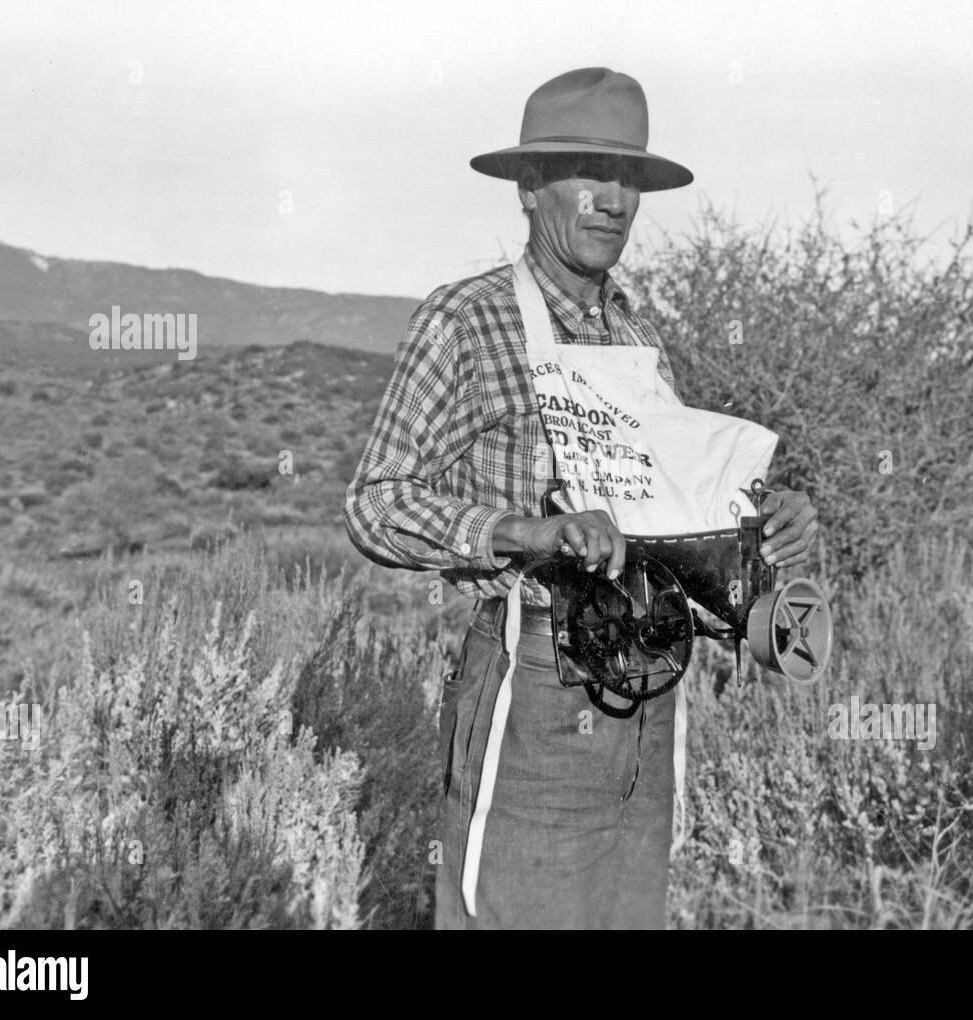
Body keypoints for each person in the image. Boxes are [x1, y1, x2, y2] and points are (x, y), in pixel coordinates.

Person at [344, 67, 818, 929]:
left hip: (650, 683)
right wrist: (522, 530)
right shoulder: (467, 320)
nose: (612, 200)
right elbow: (375, 502)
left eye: (628, 179)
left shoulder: (639, 338)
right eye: (587, 174)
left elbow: (667, 524)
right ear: (528, 188)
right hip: (538, 680)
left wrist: (761, 534)